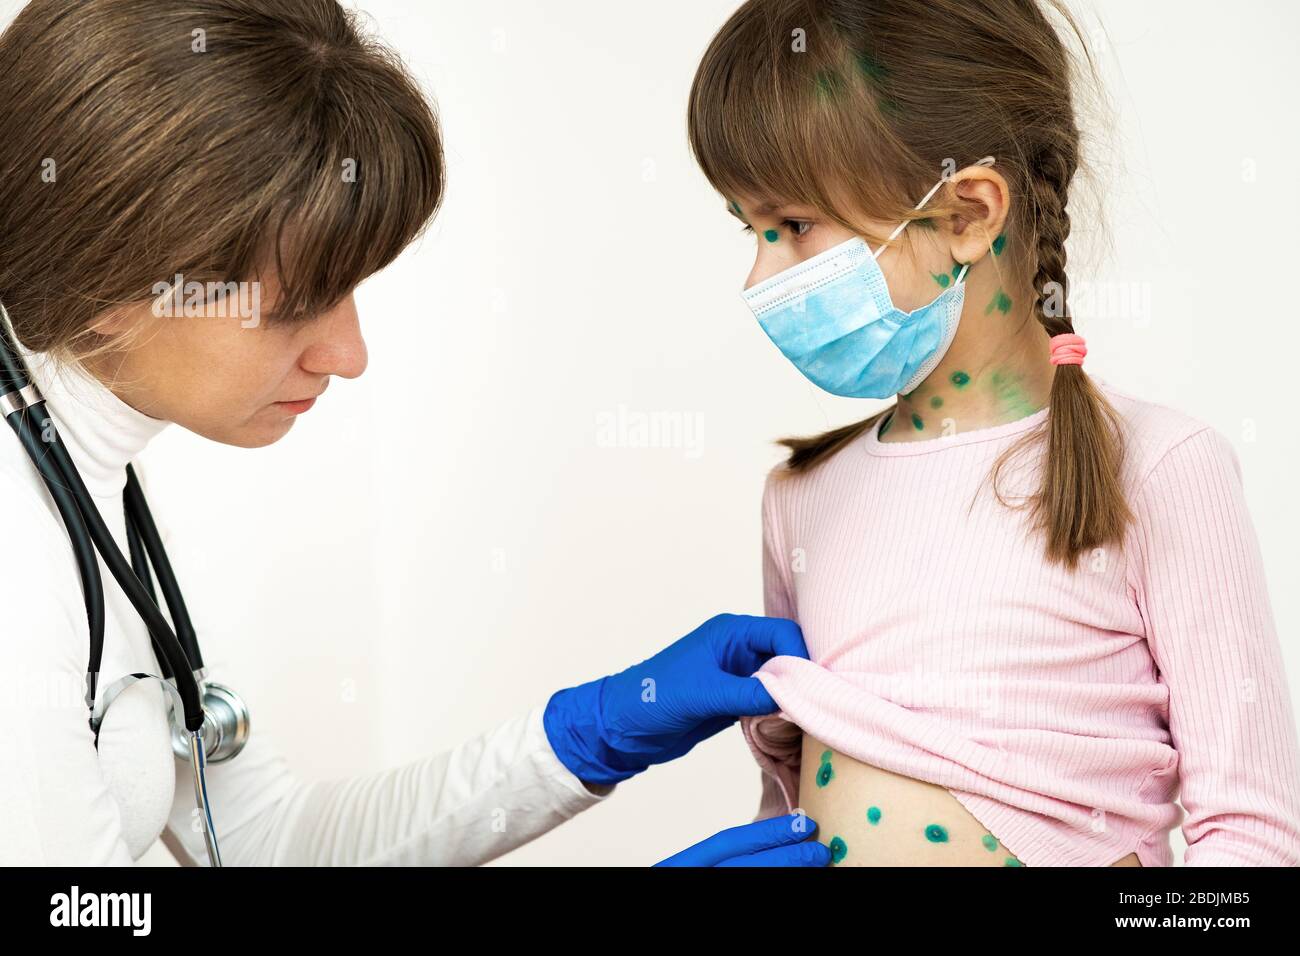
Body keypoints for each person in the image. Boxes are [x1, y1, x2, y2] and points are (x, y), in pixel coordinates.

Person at [0, 0, 831, 867]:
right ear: (107, 275)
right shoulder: (11, 557)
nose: (348, 354)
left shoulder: (86, 481)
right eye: (290, 309)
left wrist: (579, 739)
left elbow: (269, 843)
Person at [683, 0, 1300, 866]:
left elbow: (1253, 840)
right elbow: (784, 815)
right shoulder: (801, 498)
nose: (760, 273)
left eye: (792, 226)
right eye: (749, 229)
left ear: (969, 213)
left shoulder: (1158, 469)